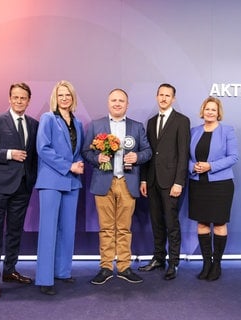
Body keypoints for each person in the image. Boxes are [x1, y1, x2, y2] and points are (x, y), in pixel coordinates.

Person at [82, 88, 152, 285]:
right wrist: (97, 158)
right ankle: (105, 267)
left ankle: (123, 266)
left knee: (124, 228)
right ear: (108, 103)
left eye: (121, 100)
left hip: (127, 181)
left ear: (127, 105)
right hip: (104, 180)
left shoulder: (137, 127)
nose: (117, 103)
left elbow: (147, 151)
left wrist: (137, 156)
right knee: (105, 228)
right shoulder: (97, 125)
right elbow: (86, 152)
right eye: (114, 100)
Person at [0, 82, 38, 299]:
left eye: (23, 98)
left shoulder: (34, 124)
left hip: (22, 187)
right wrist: (8, 154)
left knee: (14, 232)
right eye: (16, 97)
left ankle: (10, 271)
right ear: (10, 99)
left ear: (29, 100)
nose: (19, 101)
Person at [35, 80, 84, 295]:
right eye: (61, 95)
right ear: (56, 97)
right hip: (51, 180)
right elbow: (42, 149)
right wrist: (69, 166)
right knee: (48, 230)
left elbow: (77, 150)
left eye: (68, 95)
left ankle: (62, 272)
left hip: (72, 182)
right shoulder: (48, 118)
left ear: (73, 98)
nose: (65, 98)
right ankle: (45, 279)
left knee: (67, 229)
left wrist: (79, 163)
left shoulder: (79, 123)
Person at [139, 83, 190, 280]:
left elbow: (183, 153)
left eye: (168, 95)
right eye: (161, 95)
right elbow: (148, 152)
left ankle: (174, 262)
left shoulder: (182, 121)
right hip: (152, 181)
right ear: (156, 97)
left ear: (173, 99)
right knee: (156, 222)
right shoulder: (151, 122)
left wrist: (179, 181)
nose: (163, 98)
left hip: (171, 182)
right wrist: (143, 179)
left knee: (171, 223)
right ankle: (158, 258)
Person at [188, 96, 238, 281]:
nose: (210, 112)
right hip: (198, 184)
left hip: (220, 185)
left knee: (218, 223)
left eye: (213, 110)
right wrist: (192, 167)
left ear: (218, 113)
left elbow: (233, 157)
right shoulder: (194, 131)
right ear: (203, 111)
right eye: (207, 109)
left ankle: (216, 265)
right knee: (201, 223)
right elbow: (185, 158)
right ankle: (206, 264)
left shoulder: (227, 131)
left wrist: (211, 166)